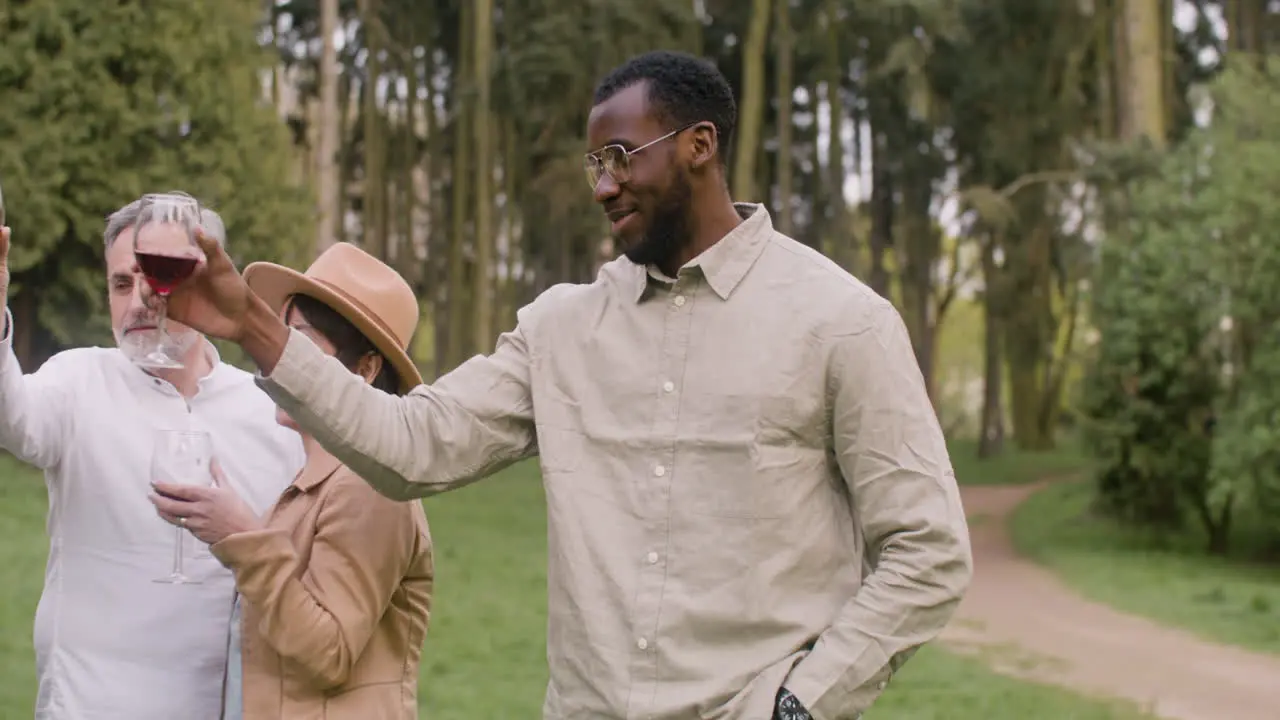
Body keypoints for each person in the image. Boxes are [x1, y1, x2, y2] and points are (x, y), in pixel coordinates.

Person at [159, 50, 973, 720]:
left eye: (623, 157)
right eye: (594, 164)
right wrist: (257, 329)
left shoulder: (841, 322)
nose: (604, 185)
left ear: (700, 144)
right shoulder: (558, 329)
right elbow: (412, 446)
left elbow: (927, 550)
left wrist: (799, 706)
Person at [0, 197, 305, 720]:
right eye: (121, 283)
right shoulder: (79, 381)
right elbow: (13, 419)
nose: (141, 298)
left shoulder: (269, 415)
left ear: (207, 283)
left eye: (161, 277)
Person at [147, 242, 433, 720]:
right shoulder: (314, 482)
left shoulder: (369, 486)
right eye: (278, 339)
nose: (275, 360)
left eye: (298, 342)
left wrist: (243, 536)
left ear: (364, 368)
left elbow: (327, 652)